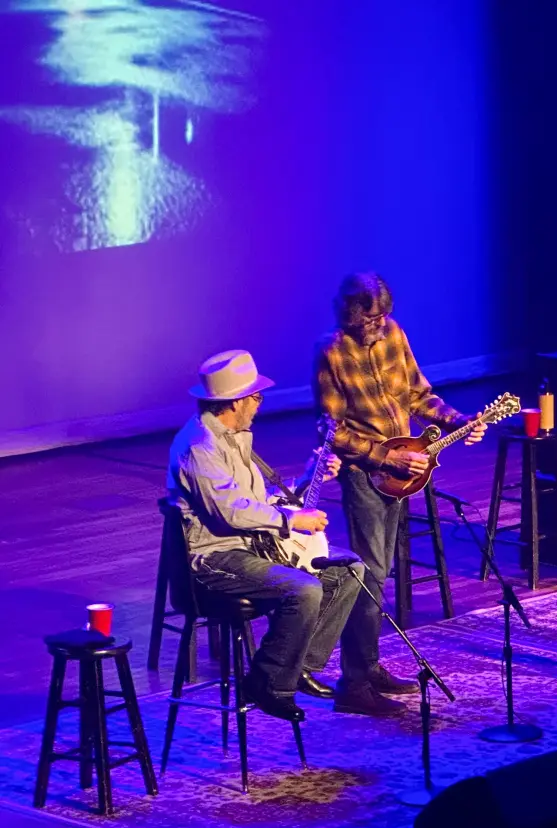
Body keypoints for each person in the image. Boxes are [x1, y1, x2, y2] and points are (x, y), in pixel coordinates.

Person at [313, 272, 486, 716]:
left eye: (385, 313)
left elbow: (417, 394)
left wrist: (457, 421)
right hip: (367, 474)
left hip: (402, 472)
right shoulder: (332, 351)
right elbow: (331, 432)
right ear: (351, 311)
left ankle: (370, 668)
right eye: (372, 316)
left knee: (381, 572)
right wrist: (386, 459)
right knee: (366, 575)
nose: (380, 322)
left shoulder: (394, 335)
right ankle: (354, 684)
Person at [167, 349, 362, 722]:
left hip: (249, 546)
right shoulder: (199, 448)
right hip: (215, 559)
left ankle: (297, 666)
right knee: (303, 588)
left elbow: (256, 503)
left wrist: (306, 480)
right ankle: (267, 681)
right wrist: (292, 522)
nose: (259, 403)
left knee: (348, 572)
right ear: (235, 402)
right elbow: (230, 512)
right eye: (255, 397)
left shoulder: (233, 437)